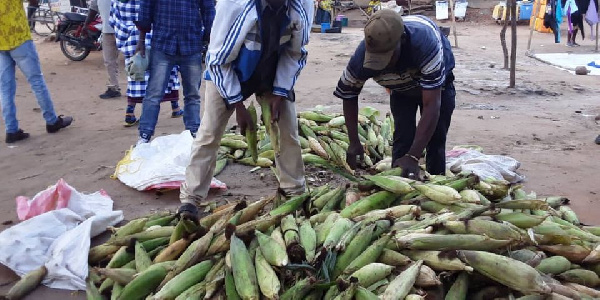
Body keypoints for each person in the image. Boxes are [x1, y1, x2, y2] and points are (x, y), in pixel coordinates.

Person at [176, 0, 314, 220]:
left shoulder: (302, 4)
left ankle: (294, 192)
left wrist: (280, 91)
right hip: (229, 69)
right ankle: (191, 199)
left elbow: (295, 53)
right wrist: (237, 104)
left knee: (287, 131)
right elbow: (217, 60)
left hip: (272, 70)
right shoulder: (234, 4)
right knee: (210, 133)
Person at [335, 11, 455, 179]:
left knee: (436, 139)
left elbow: (432, 106)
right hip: (401, 90)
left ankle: (437, 182)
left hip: (437, 88)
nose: (382, 65)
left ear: (402, 40)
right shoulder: (361, 58)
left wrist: (414, 156)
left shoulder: (425, 43)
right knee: (403, 136)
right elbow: (348, 94)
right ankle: (399, 183)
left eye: (387, 57)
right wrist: (354, 141)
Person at [134, 0, 215, 145]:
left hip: (191, 45)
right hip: (163, 44)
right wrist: (141, 39)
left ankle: (193, 132)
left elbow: (208, 9)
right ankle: (145, 134)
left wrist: (209, 36)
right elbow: (146, 8)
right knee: (154, 93)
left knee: (193, 94)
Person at [0, 0, 73, 143]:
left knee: (5, 89)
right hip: (19, 39)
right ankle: (52, 121)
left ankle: (11, 130)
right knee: (36, 82)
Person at [110, 0, 184, 127]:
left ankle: (130, 113)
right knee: (168, 73)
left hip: (133, 41)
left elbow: (114, 21)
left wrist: (128, 34)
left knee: (136, 76)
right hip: (157, 38)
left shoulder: (117, 1)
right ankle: (175, 108)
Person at [84, 0, 122, 99]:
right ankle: (113, 88)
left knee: (132, 59)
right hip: (107, 31)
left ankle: (137, 88)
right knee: (109, 61)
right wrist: (86, 24)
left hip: (124, 29)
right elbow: (93, 8)